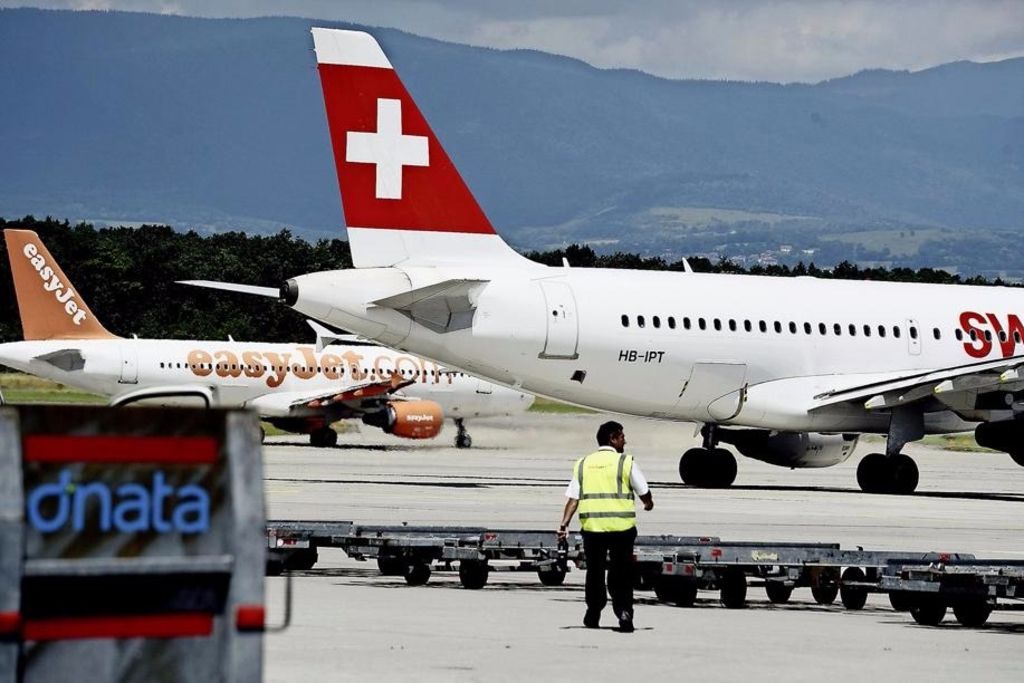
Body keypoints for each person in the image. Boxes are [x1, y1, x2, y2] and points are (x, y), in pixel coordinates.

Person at [557, 420, 653, 632]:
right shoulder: (625, 462)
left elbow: (573, 499)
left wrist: (564, 524)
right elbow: (643, 489)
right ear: (612, 438)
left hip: (593, 529)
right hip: (622, 529)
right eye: (621, 437)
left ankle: (593, 612)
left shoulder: (583, 463)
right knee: (621, 573)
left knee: (595, 572)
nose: (624, 441)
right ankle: (624, 613)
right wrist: (648, 504)